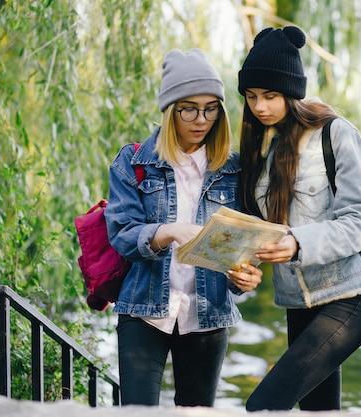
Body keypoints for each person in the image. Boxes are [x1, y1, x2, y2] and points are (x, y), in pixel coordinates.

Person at [236, 26, 361, 411]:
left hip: (349, 293)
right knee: (317, 411)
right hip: (298, 302)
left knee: (264, 405)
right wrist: (241, 273)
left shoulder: (335, 134)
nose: (260, 106)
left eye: (270, 96)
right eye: (252, 96)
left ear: (292, 92)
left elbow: (360, 221)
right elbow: (257, 232)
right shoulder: (261, 150)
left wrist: (297, 243)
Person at [104, 48, 263, 407]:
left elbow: (241, 249)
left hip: (207, 316)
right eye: (188, 108)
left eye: (210, 108)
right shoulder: (133, 161)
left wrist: (246, 278)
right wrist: (170, 231)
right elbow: (122, 234)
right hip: (144, 310)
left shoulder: (235, 170)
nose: (200, 119)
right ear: (170, 109)